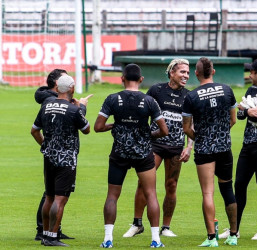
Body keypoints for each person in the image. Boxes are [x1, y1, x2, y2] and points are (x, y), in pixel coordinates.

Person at [94, 64, 169, 248]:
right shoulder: (149, 101)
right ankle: (155, 240)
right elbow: (164, 130)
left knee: (112, 196)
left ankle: (108, 239)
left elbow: (97, 127)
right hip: (143, 153)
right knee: (151, 194)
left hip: (119, 153)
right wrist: (147, 134)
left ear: (122, 78)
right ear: (141, 80)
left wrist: (115, 125)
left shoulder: (112, 99)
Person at [123, 59, 193, 238]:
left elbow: (192, 124)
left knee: (172, 185)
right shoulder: (157, 90)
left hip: (177, 147)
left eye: (187, 72)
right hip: (154, 145)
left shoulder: (189, 96)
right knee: (144, 182)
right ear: (172, 73)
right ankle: (137, 224)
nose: (186, 75)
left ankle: (166, 227)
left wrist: (189, 146)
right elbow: (143, 113)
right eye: (182, 72)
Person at [220, 58, 257, 241]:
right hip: (248, 144)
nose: (249, 75)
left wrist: (246, 109)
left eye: (251, 73)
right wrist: (247, 111)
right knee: (239, 184)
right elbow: (240, 114)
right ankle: (234, 229)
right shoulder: (251, 90)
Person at [182, 57, 238, 247]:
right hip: (224, 148)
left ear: (196, 74)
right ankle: (233, 235)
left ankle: (212, 238)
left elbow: (186, 128)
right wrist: (220, 134)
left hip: (204, 149)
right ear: (213, 72)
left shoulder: (191, 97)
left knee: (208, 193)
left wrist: (201, 138)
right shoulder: (227, 90)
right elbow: (233, 120)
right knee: (227, 189)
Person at [31, 75, 91, 246]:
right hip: (66, 159)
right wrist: (82, 107)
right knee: (60, 199)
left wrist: (46, 145)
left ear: (57, 89)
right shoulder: (73, 110)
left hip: (48, 157)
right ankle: (51, 237)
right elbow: (86, 129)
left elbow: (34, 131)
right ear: (71, 88)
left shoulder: (46, 106)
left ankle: (44, 234)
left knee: (49, 197)